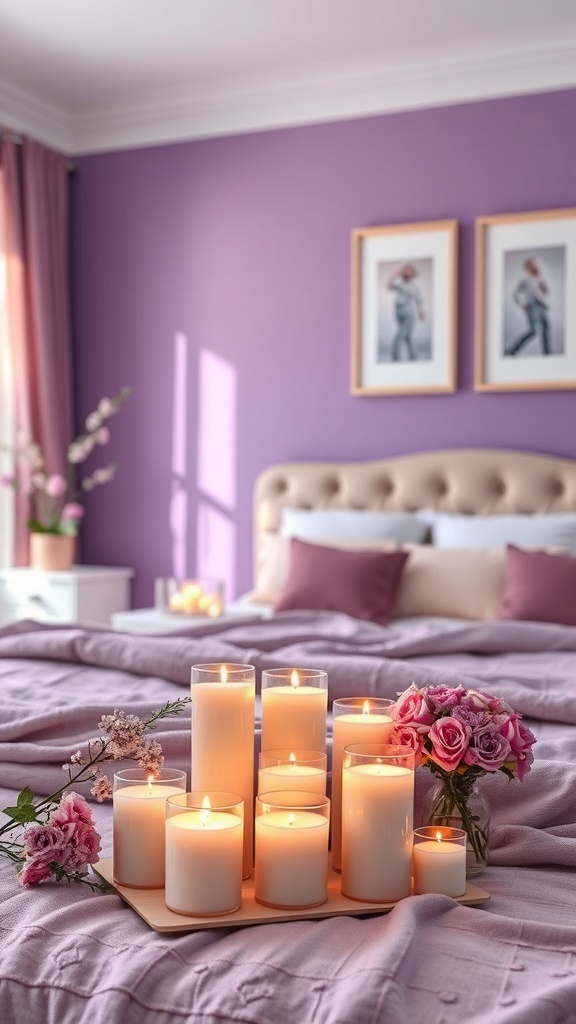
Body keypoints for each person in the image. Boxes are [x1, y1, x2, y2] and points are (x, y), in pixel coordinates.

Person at [507, 256, 551, 356]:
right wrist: (521, 305)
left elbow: (546, 292)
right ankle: (512, 350)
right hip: (532, 307)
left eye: (537, 265)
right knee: (533, 331)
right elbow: (515, 294)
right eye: (535, 265)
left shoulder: (539, 279)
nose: (537, 267)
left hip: (542, 306)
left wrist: (543, 286)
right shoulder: (525, 281)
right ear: (529, 267)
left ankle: (547, 353)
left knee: (546, 328)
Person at [385, 263, 425, 361]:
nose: (407, 272)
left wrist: (421, 312)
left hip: (409, 312)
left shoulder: (414, 287)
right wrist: (396, 273)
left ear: (413, 274)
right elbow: (389, 286)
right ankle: (414, 357)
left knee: (400, 335)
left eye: (410, 271)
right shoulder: (399, 283)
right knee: (407, 337)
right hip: (398, 310)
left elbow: (418, 300)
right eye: (406, 270)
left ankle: (395, 358)